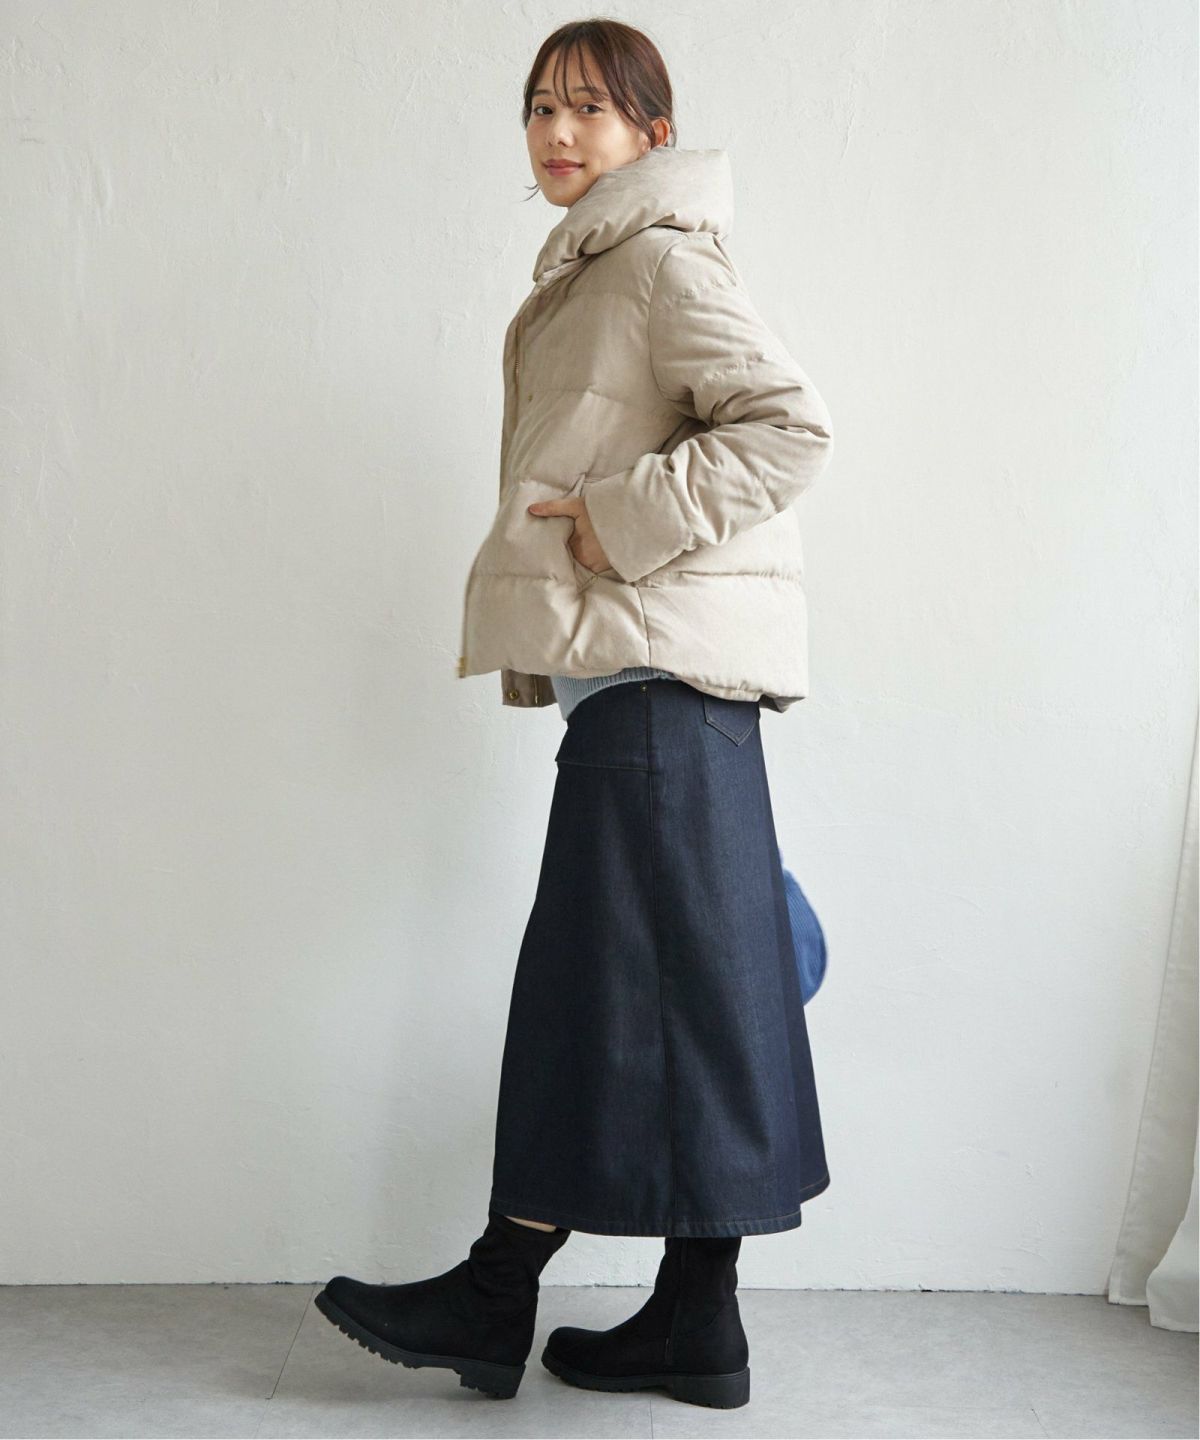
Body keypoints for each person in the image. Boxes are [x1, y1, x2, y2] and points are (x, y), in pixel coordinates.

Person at [316, 18, 835, 1411]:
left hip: (666, 695)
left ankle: (499, 1294)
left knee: (593, 996)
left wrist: (618, 520)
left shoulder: (657, 261)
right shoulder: (598, 270)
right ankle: (696, 1322)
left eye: (591, 110)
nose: (557, 132)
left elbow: (790, 427)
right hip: (654, 694)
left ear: (652, 135)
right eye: (541, 107)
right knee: (696, 993)